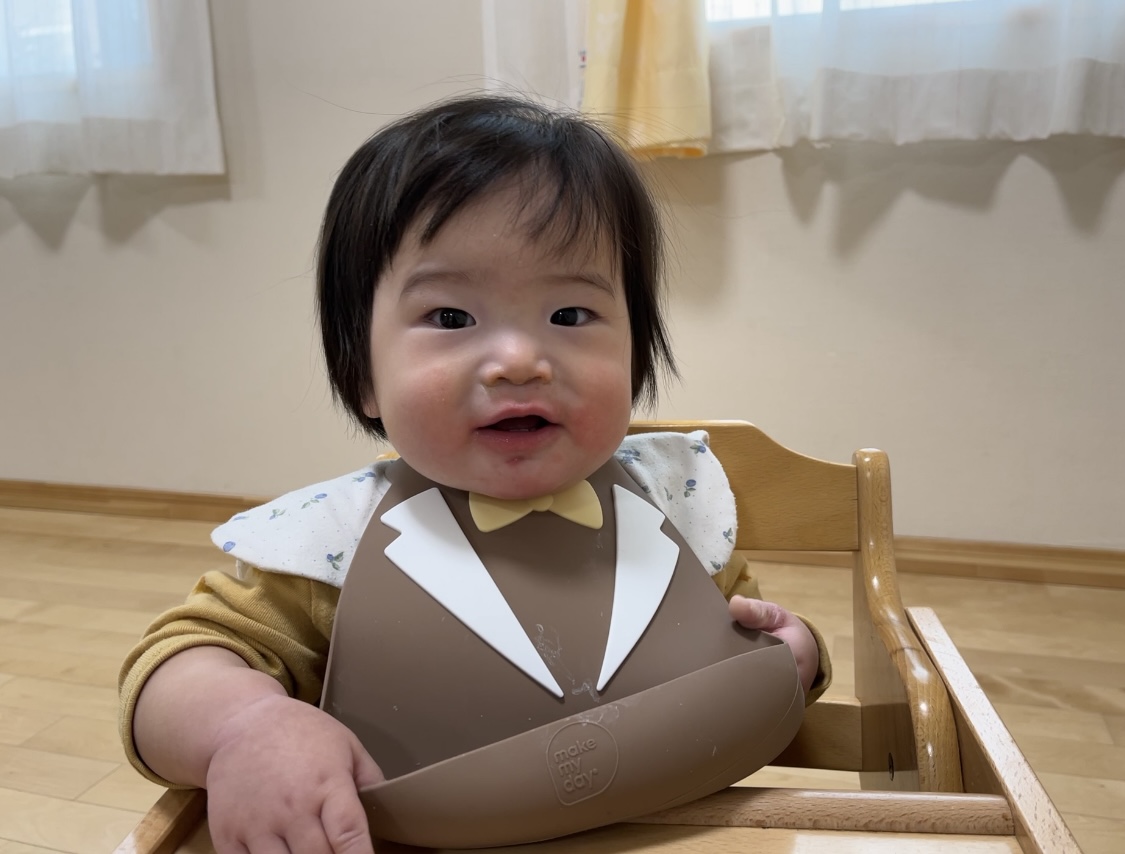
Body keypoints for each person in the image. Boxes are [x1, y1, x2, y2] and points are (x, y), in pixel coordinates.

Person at [119, 94, 830, 854]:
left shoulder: (675, 501)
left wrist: (798, 653)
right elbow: (176, 663)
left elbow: (738, 640)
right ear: (362, 374)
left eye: (570, 315)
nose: (520, 360)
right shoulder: (331, 543)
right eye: (452, 318)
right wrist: (244, 722)